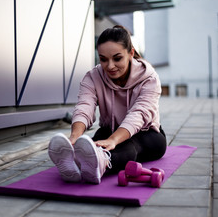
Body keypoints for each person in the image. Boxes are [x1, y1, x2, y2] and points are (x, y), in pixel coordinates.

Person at [48, 25, 167, 184]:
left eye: (117, 58)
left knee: (128, 145)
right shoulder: (92, 77)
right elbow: (85, 106)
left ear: (131, 53)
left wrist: (114, 140)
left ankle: (102, 162)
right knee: (94, 142)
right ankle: (75, 162)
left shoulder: (149, 78)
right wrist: (75, 137)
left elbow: (139, 113)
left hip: (147, 135)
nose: (110, 66)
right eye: (103, 59)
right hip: (109, 129)